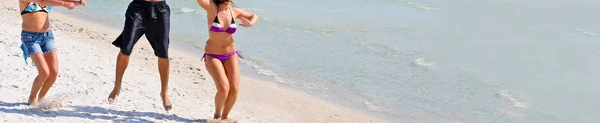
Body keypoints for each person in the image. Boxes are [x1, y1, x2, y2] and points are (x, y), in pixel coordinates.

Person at [196, 0, 258, 120]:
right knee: (224, 88)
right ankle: (216, 117)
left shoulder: (234, 11)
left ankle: (225, 118)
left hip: (231, 54)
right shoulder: (211, 7)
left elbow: (254, 16)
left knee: (234, 89)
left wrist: (250, 23)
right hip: (213, 55)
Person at [107, 0, 172, 111]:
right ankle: (117, 87)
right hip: (137, 9)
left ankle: (164, 93)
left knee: (163, 54)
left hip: (160, 11)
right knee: (125, 49)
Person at [18, 0, 86, 106]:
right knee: (44, 72)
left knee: (53, 73)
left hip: (47, 36)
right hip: (30, 38)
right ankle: (32, 98)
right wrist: (65, 4)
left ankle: (41, 99)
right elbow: (42, 1)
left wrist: (78, 2)